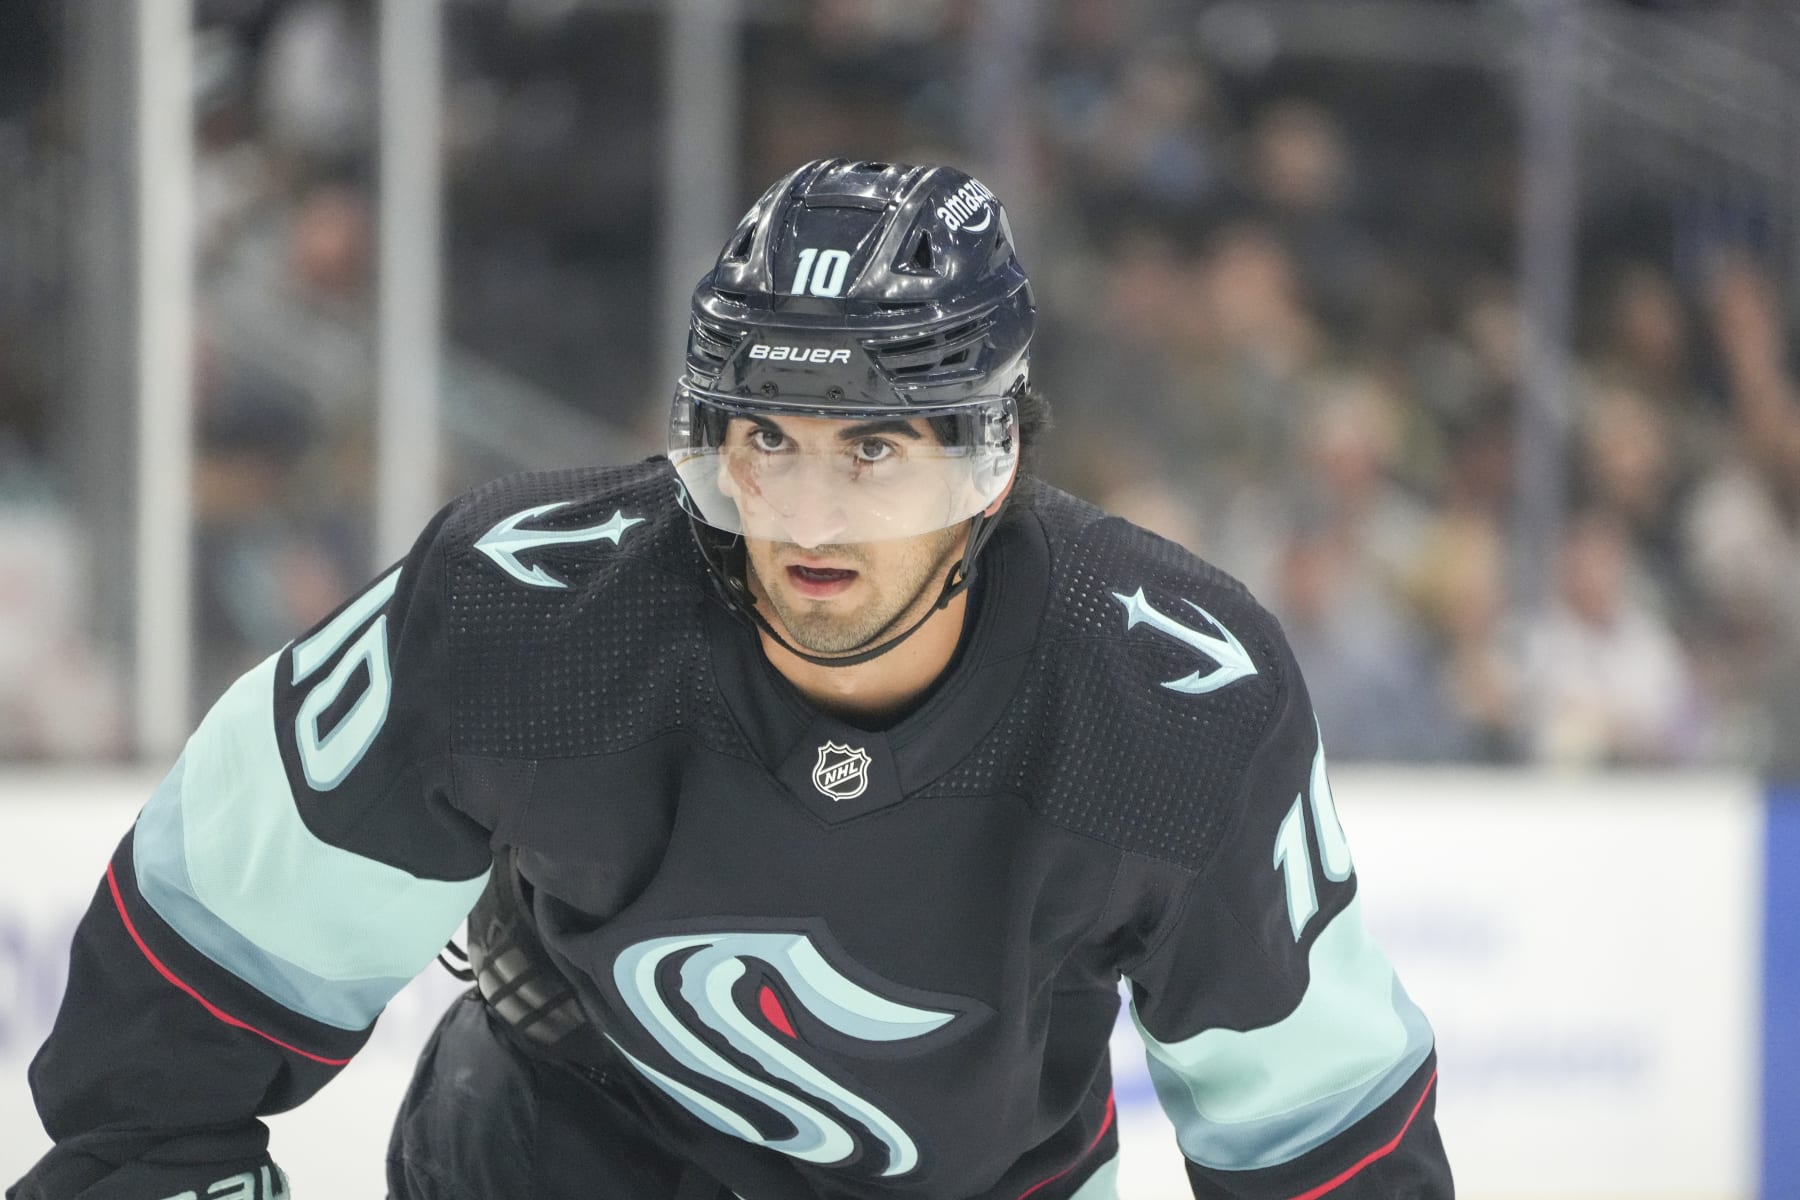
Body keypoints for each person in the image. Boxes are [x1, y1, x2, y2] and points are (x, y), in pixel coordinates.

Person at [13, 160, 1452, 1200]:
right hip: (551, 1152)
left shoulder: (1172, 704)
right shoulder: (527, 614)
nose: (806, 520)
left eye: (873, 450)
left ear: (991, 455)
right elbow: (183, 1004)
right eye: (767, 439)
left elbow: (1323, 1137)